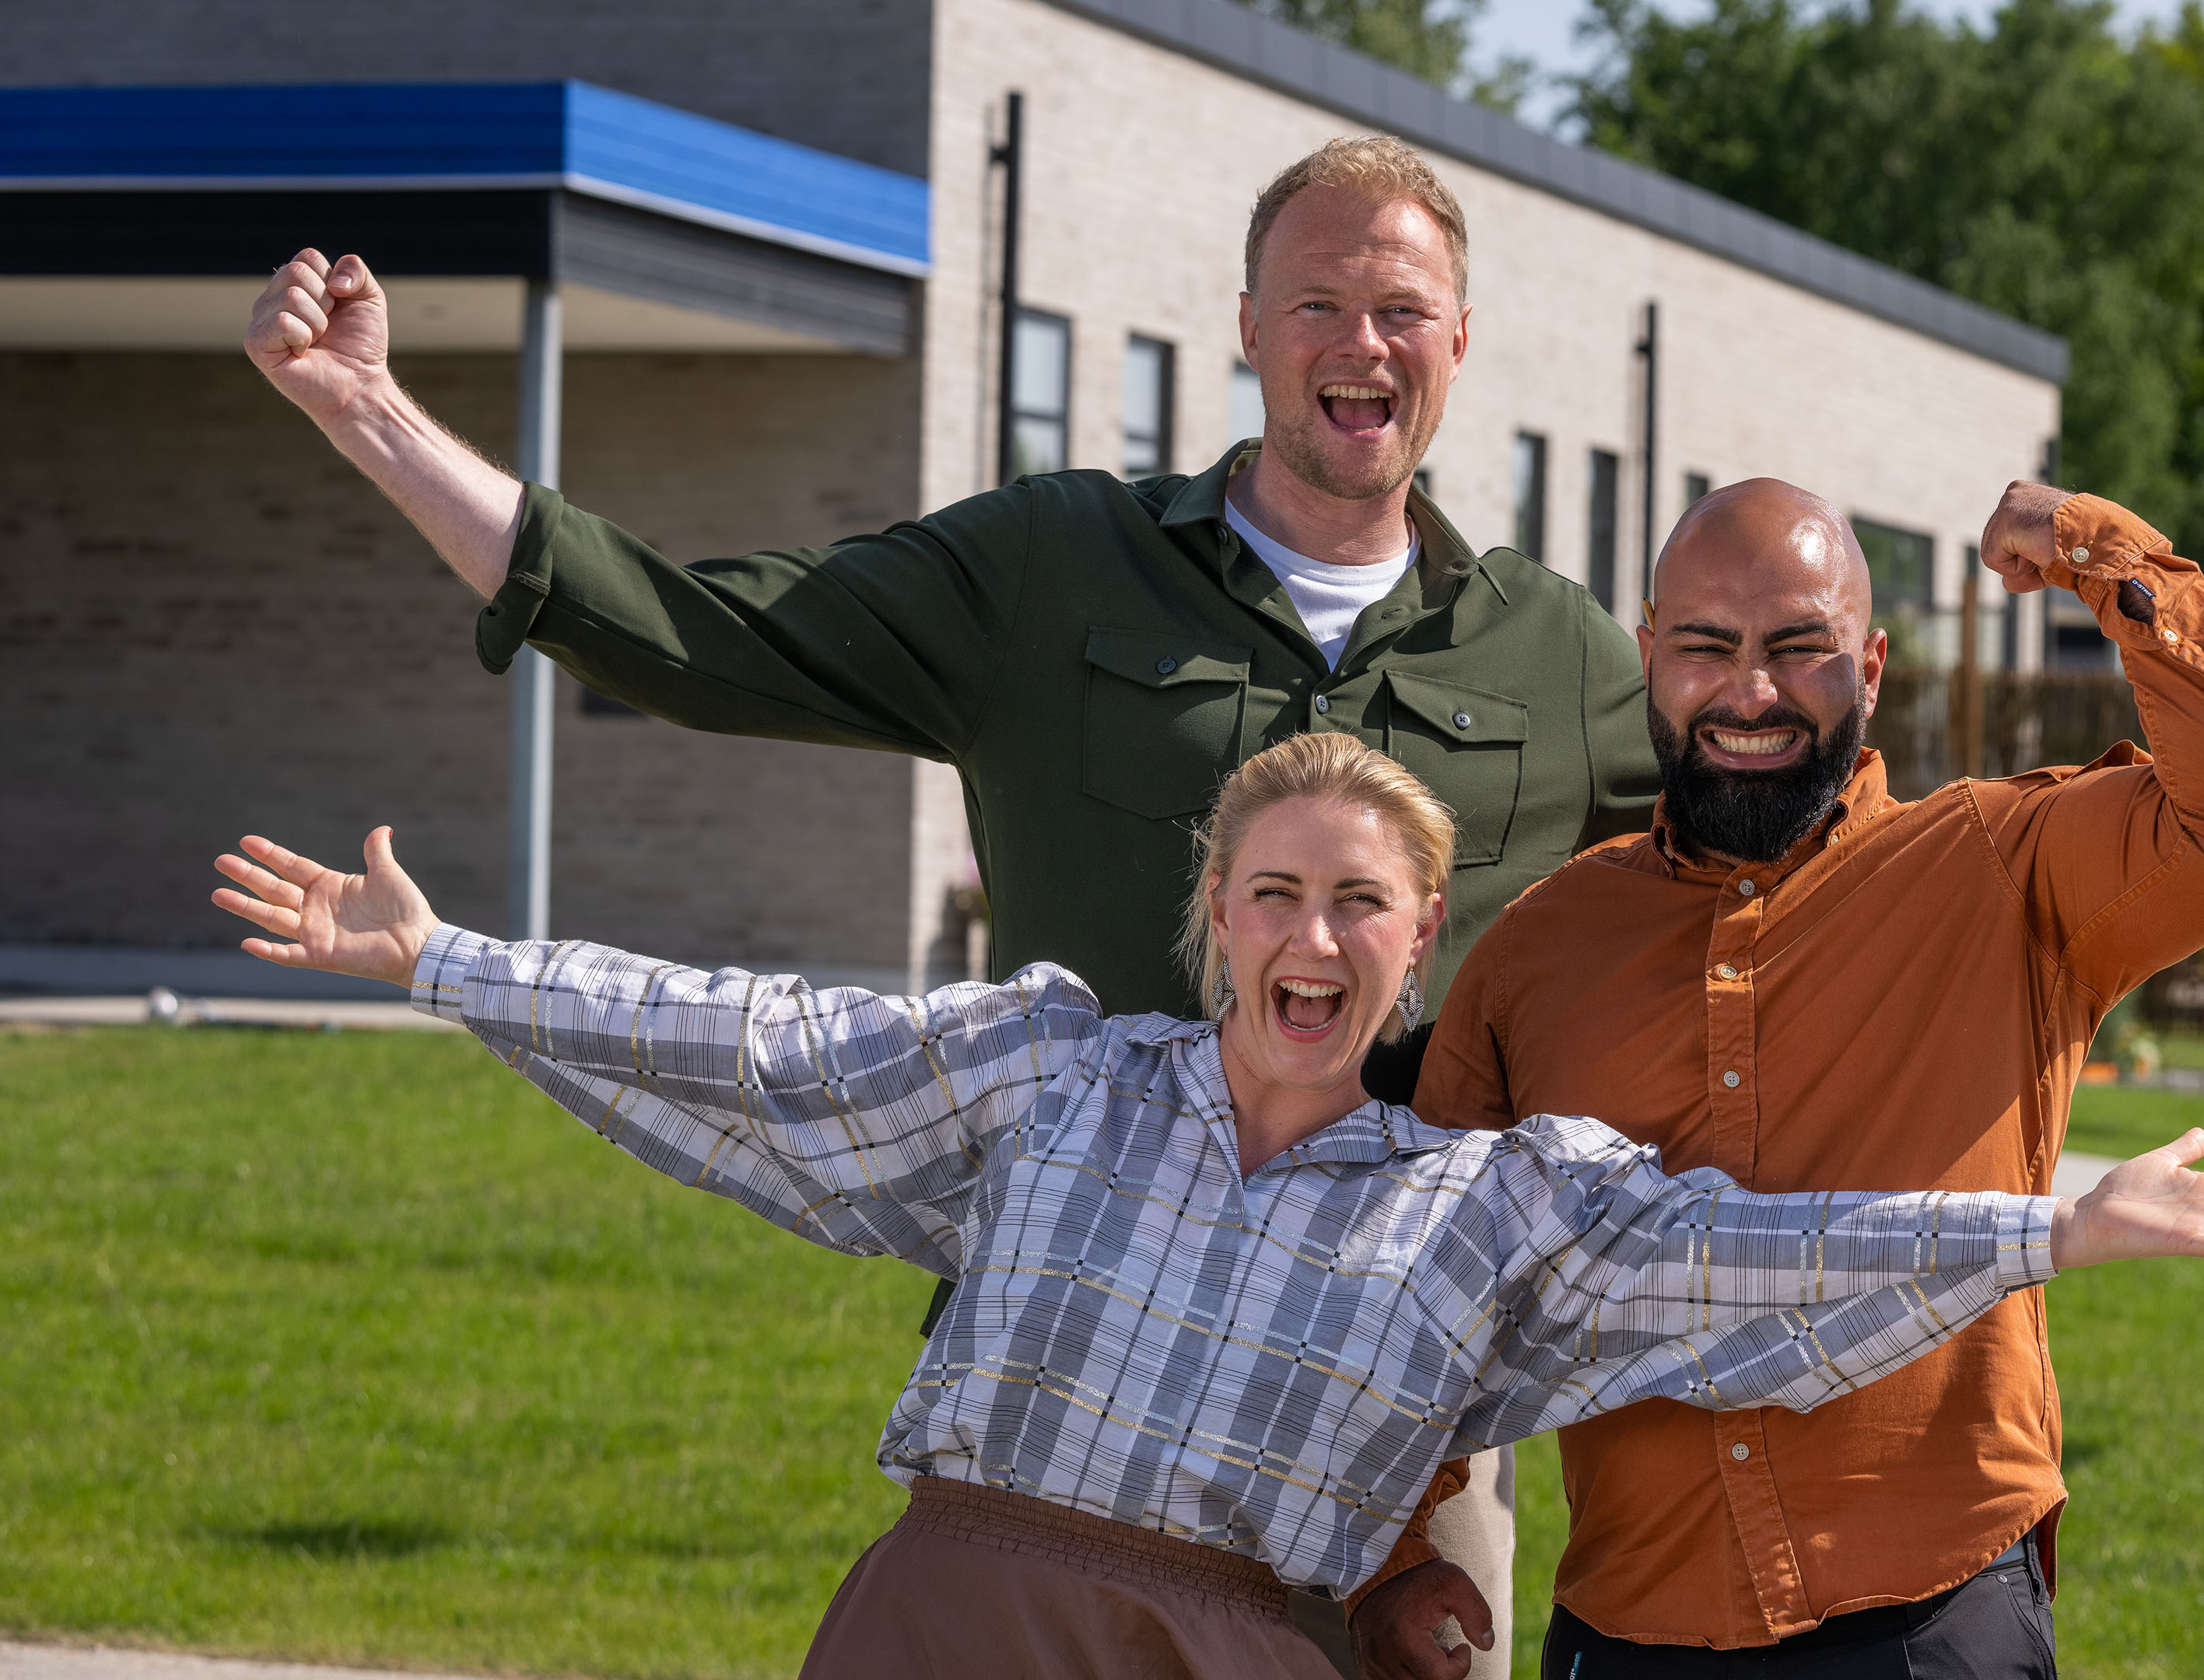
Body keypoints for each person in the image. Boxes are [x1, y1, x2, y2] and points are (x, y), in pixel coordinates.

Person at [243, 135, 1659, 1667]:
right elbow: (702, 635)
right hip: (1063, 1387)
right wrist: (369, 414)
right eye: (1318, 303)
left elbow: (1778, 858)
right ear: (1247, 327)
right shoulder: (1057, 566)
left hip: (1393, 1437)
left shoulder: (1558, 654)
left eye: (1401, 310)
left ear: (1461, 342)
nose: (1360, 343)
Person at [207, 732, 2204, 1680]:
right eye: (1279, 892)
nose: (1316, 937)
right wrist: (450, 961)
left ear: (1421, 955)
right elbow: (763, 1045)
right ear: (1217, 919)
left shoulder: (1485, 1210)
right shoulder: (1048, 1078)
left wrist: (2052, 1228)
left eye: (1368, 905)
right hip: (950, 1629)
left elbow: (1747, 1265)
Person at [1348, 479, 2204, 1677]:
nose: (1750, 692)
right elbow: (1423, 1281)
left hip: (1933, 1617)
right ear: (1650, 654)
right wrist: (1402, 1546)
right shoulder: (1542, 948)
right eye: (1706, 647)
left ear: (1870, 667)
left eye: (1799, 649)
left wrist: (2092, 545)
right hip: (1632, 1624)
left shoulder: (2001, 868)